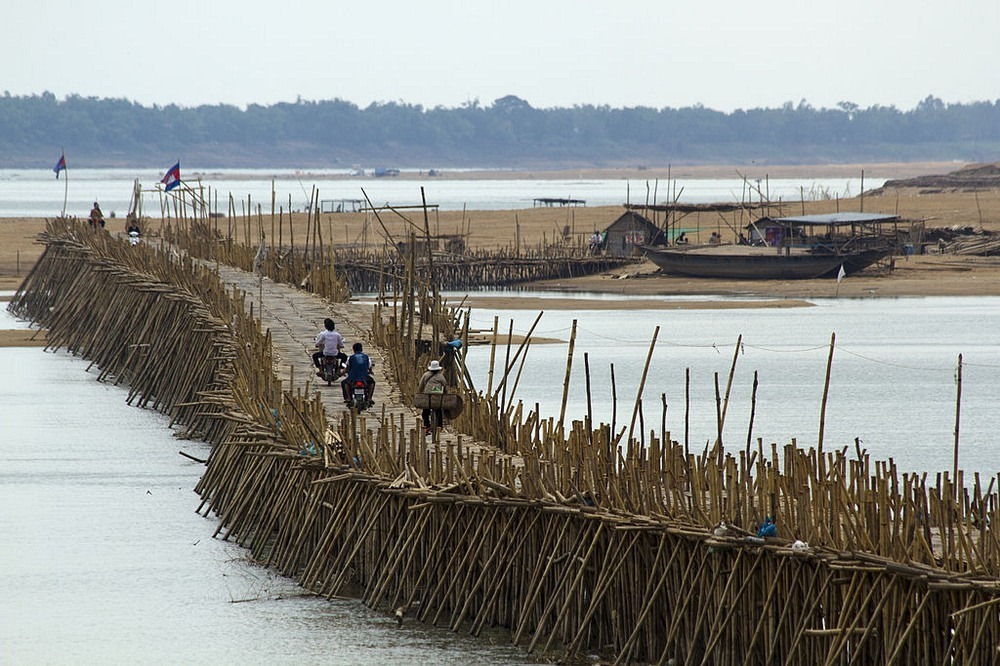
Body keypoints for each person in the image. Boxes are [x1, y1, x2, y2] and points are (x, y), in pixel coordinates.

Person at [418, 359, 447, 433]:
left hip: (427, 396)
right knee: (439, 411)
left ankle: (427, 426)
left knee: (425, 412)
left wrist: (420, 392)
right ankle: (440, 426)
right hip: (437, 396)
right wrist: (446, 393)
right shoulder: (441, 376)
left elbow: (421, 386)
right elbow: (445, 385)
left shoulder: (426, 375)